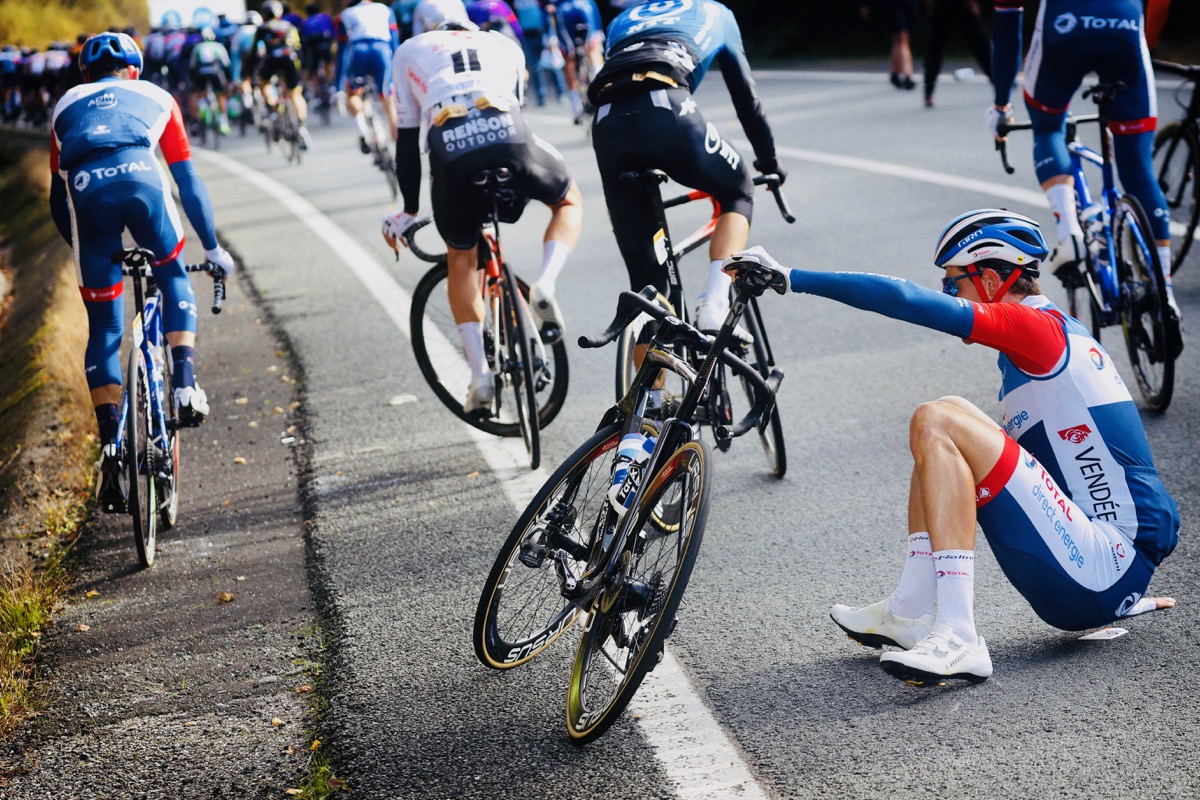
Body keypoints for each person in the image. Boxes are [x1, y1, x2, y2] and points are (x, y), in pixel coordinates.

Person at [722, 210, 1180, 684]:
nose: (948, 294)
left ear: (987, 279)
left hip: (1101, 572)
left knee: (936, 420)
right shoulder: (1058, 334)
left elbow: (903, 298)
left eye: (952, 283)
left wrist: (791, 276)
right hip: (1104, 571)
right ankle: (910, 608)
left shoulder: (1036, 329)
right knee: (949, 409)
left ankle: (959, 634)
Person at [48, 32, 235, 512]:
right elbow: (187, 181)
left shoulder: (64, 105)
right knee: (173, 273)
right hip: (143, 182)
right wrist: (212, 248)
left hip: (89, 200)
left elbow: (57, 196)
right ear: (134, 69)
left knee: (106, 328)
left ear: (85, 75)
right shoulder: (156, 95)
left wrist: (87, 252)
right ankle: (187, 387)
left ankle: (111, 444)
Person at [380, 14, 583, 415]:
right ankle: (544, 283)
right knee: (567, 200)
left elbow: (405, 141)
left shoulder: (408, 51)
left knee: (461, 257)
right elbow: (516, 114)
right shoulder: (503, 45)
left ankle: (480, 378)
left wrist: (408, 210)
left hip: (451, 147)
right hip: (509, 135)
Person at [988, 0, 1181, 344]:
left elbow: (1007, 23)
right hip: (1124, 28)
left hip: (1064, 27)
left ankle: (1070, 234)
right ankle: (1164, 291)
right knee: (1137, 167)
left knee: (1048, 129)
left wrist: (1001, 105)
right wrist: (1142, 45)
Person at [589, 0, 786, 333]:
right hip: (667, 107)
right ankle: (714, 304)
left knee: (649, 291)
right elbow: (747, 102)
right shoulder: (716, 12)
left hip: (607, 123)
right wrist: (769, 161)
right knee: (738, 191)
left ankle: (649, 386)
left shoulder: (622, 19)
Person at [336, 0, 399, 154]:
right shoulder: (385, 9)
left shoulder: (345, 15)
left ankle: (362, 131)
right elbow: (394, 40)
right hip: (382, 50)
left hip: (358, 51)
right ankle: (401, 149)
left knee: (353, 94)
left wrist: (338, 87)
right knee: (388, 101)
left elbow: (342, 51)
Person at [247, 0, 312, 148]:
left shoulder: (263, 28)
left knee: (264, 83)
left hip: (271, 61)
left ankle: (274, 107)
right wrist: (303, 68)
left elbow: (253, 53)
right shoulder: (289, 26)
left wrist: (251, 74)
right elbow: (298, 47)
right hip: (289, 60)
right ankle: (302, 126)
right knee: (295, 94)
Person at [922, 0, 992, 108]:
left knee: (980, 43)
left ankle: (999, 83)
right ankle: (928, 90)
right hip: (941, 5)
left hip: (963, 3)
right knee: (935, 47)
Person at [859, 0, 918, 90]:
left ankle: (895, 73)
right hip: (892, 5)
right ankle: (907, 74)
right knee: (902, 37)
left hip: (905, 5)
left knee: (898, 38)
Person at [188, 27, 233, 135]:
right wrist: (228, 79)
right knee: (221, 95)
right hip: (216, 72)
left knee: (201, 93)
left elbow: (192, 66)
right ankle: (224, 123)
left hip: (202, 73)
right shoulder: (218, 46)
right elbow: (226, 64)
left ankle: (202, 107)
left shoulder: (197, 47)